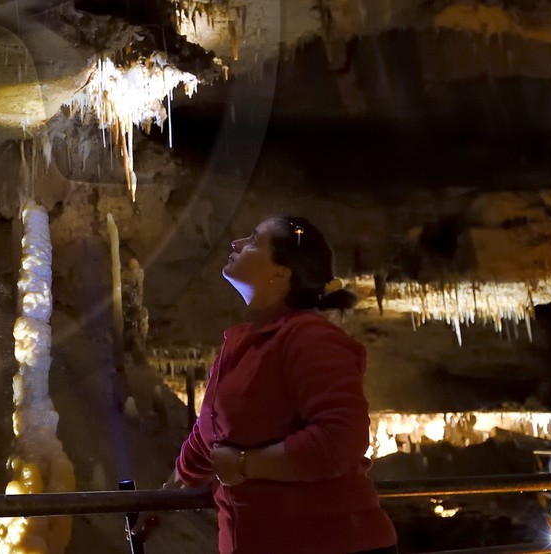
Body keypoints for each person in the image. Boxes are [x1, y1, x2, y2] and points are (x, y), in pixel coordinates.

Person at [163, 216, 398, 554]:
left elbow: (340, 438)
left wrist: (245, 464)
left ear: (281, 272)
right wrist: (162, 499)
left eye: (254, 240)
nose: (236, 243)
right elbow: (208, 440)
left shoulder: (310, 338)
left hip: (331, 544)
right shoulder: (241, 344)